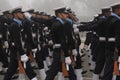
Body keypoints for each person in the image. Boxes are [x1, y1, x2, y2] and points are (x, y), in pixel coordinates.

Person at [4, 8, 37, 80]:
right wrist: (22, 54)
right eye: (20, 13)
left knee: (11, 71)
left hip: (18, 51)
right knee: (30, 72)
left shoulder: (19, 23)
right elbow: (17, 41)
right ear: (15, 14)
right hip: (17, 51)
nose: (23, 14)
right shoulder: (14, 25)